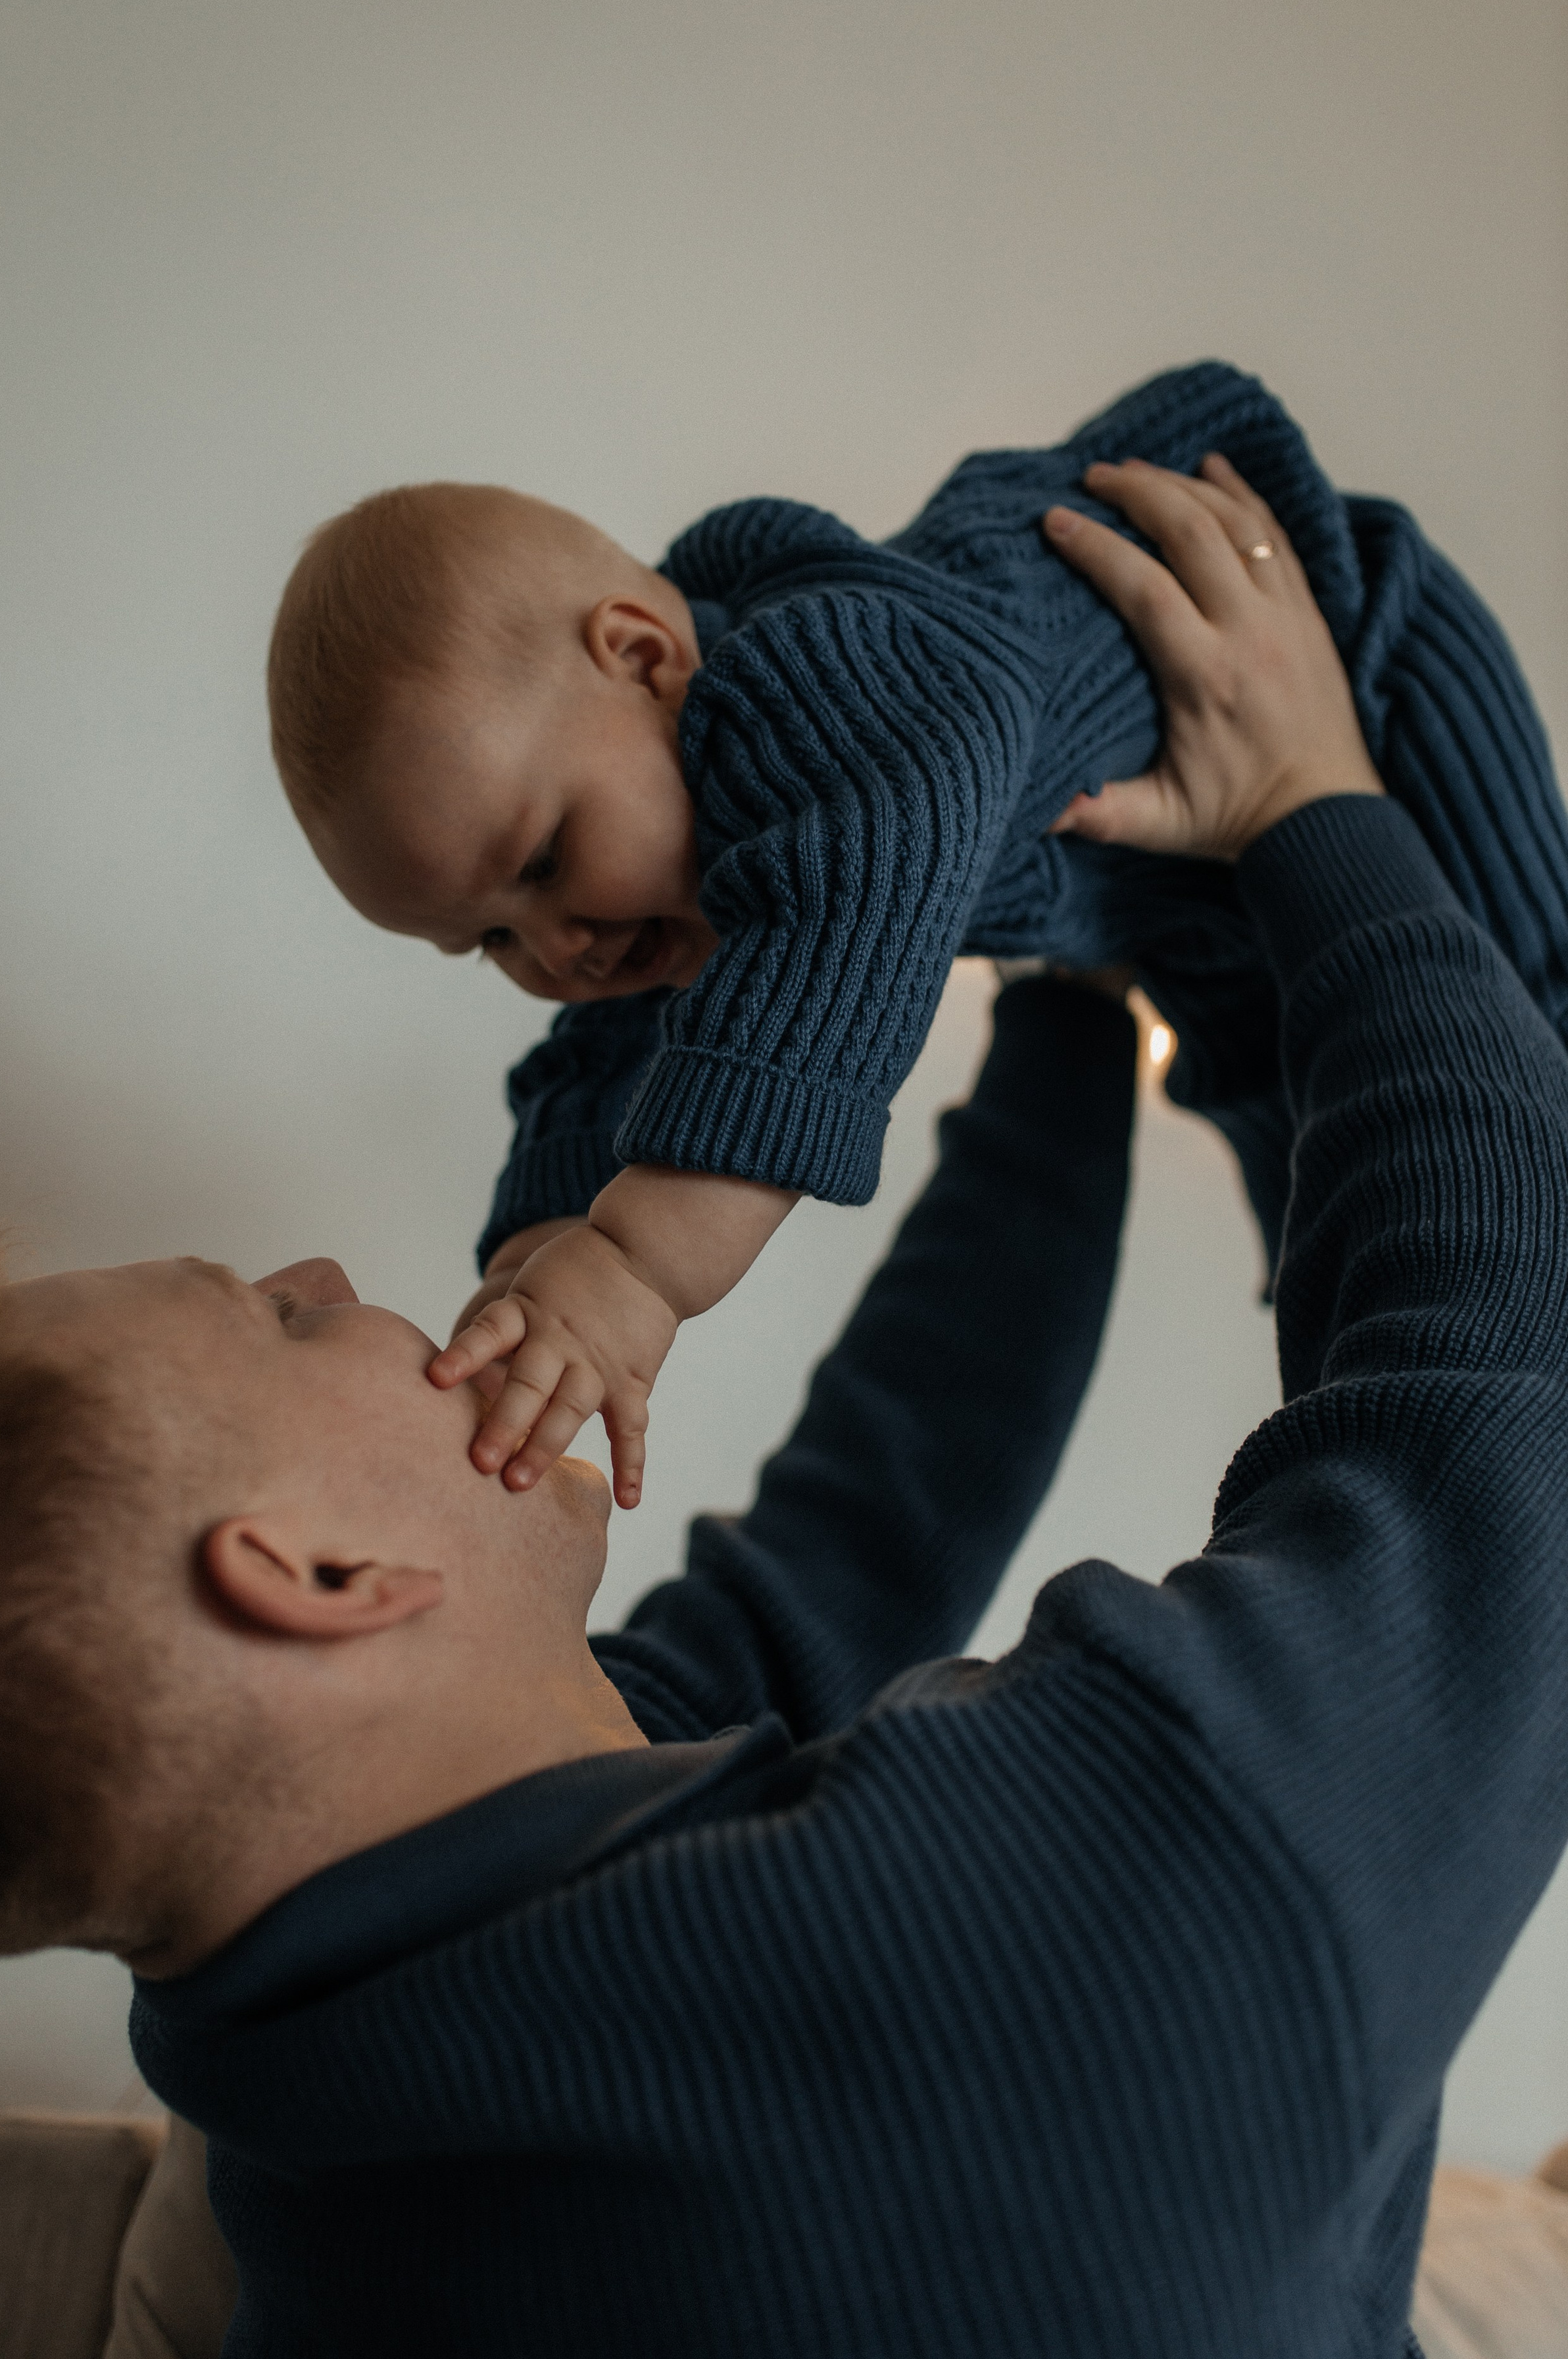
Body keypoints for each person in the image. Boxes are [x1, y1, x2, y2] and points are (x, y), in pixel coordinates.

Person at [0, 460, 1568, 2359]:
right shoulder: (1098, 1918)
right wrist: (1318, 812)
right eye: (266, 1313)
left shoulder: (333, 2080)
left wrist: (1060, 995)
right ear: (319, 1575)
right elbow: (1510, 1398)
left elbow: (874, 1514)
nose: (331, 1269)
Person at [266, 363, 1568, 1510]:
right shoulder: (670, 873)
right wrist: (532, 1265)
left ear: (643, 653)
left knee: (1524, 1045)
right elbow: (598, 1053)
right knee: (1346, 1221)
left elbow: (857, 898)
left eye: (542, 863)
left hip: (1356, 659)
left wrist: (635, 1268)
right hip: (1184, 907)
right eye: (487, 940)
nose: (556, 948)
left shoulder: (831, 676)